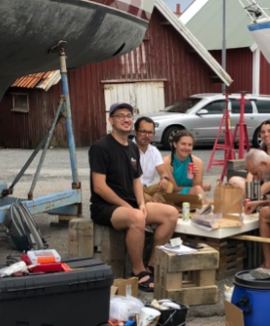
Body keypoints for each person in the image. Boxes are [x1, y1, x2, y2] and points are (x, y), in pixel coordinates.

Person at [89, 102, 178, 291]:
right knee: (137, 217)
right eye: (120, 116)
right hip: (105, 207)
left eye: (129, 115)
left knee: (170, 213)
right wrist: (129, 207)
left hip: (130, 204)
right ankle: (138, 272)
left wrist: (141, 203)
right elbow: (99, 187)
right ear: (111, 120)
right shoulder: (100, 147)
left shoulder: (132, 147)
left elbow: (136, 179)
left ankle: (152, 265)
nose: (126, 119)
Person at [228, 119, 270, 196]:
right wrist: (249, 188)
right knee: (233, 180)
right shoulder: (260, 151)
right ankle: (252, 196)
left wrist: (258, 193)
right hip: (259, 186)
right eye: (263, 132)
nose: (266, 134)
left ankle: (255, 197)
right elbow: (251, 173)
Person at [133, 116, 174, 203]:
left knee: (169, 186)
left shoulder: (154, 151)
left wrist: (164, 179)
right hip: (133, 188)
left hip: (148, 188)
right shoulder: (128, 149)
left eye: (150, 132)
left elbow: (163, 172)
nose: (147, 136)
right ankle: (154, 204)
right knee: (137, 194)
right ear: (135, 132)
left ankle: (152, 203)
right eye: (143, 132)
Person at [163, 129, 207, 201]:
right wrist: (204, 187)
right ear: (175, 144)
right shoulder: (167, 162)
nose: (186, 148)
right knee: (198, 190)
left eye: (189, 145)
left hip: (192, 195)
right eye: (183, 144)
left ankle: (205, 209)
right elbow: (174, 189)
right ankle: (206, 210)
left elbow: (198, 187)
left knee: (198, 189)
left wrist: (195, 177)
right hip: (172, 197)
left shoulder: (197, 162)